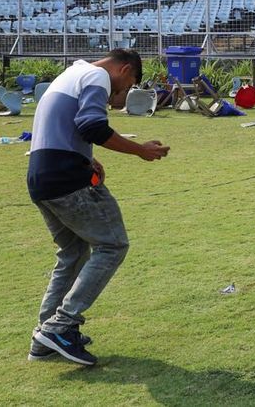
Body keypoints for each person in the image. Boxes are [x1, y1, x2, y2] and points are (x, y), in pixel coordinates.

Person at [27, 50, 171, 366]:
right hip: (68, 180)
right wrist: (139, 150)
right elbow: (92, 125)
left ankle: (45, 337)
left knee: (74, 253)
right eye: (126, 86)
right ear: (124, 69)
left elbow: (60, 127)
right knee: (113, 244)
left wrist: (86, 157)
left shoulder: (69, 75)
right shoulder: (97, 76)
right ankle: (59, 327)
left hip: (41, 177)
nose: (117, 96)